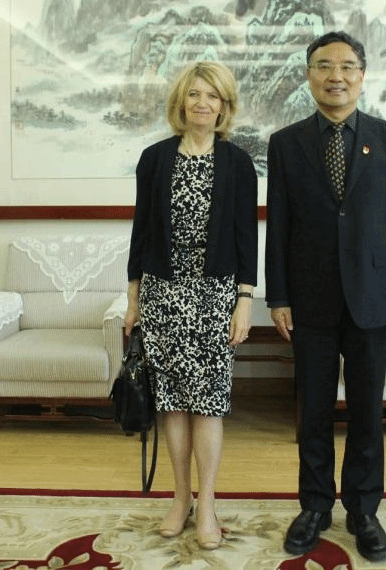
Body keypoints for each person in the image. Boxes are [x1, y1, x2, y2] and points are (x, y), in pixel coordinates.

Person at [265, 31, 386, 563]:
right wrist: (278, 295)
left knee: (367, 411)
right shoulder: (285, 143)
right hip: (308, 298)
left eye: (347, 66)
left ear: (362, 75)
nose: (336, 76)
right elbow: (278, 225)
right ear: (309, 75)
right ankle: (314, 506)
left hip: (373, 295)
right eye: (324, 66)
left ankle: (363, 509)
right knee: (312, 411)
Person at [125, 61, 258, 550]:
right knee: (172, 402)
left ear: (224, 106)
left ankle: (207, 505)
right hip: (162, 294)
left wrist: (244, 302)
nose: (203, 103)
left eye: (213, 96)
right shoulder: (154, 159)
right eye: (195, 94)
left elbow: (247, 237)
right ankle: (180, 499)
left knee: (208, 402)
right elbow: (141, 232)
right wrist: (134, 300)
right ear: (181, 102)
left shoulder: (238, 163)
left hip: (215, 296)